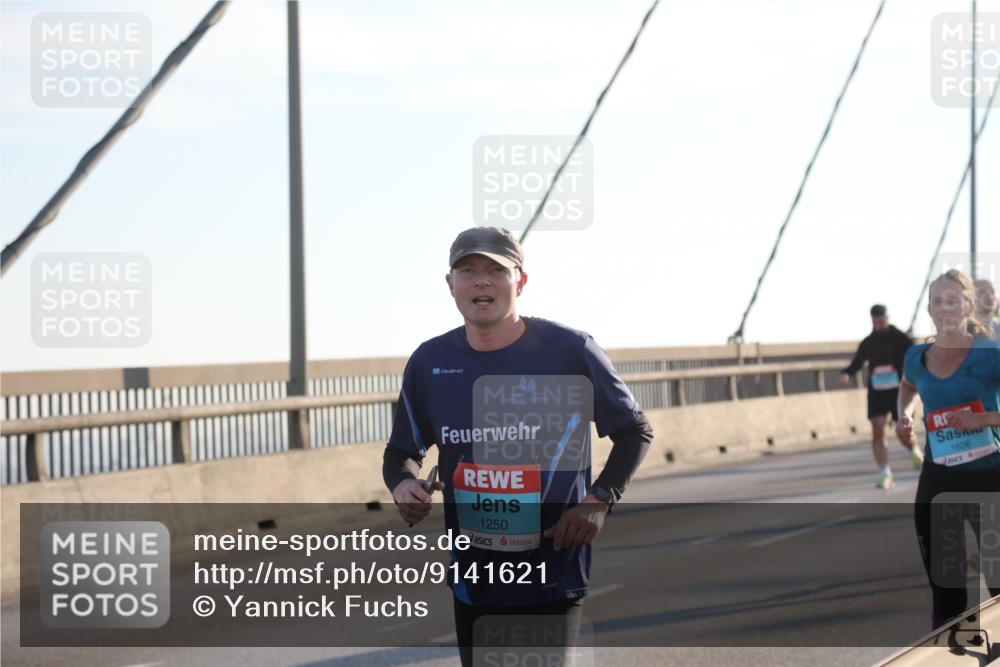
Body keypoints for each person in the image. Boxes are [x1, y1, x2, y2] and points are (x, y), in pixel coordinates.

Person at [382, 226, 653, 666]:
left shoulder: (571, 351)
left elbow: (634, 431)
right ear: (450, 284)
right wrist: (404, 486)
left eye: (496, 270)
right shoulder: (430, 362)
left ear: (520, 282)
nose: (481, 280)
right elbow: (400, 453)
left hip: (553, 566)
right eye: (467, 270)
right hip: (474, 574)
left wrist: (598, 500)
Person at [895, 269, 1000, 630]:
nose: (944, 308)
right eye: (937, 301)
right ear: (929, 308)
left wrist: (985, 418)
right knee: (946, 587)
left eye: (952, 301)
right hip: (939, 476)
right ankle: (953, 648)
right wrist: (904, 415)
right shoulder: (916, 356)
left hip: (990, 476)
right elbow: (908, 387)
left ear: (969, 306)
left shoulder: (991, 354)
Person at [839, 304, 922, 489]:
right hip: (877, 392)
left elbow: (916, 359)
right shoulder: (868, 342)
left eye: (882, 321)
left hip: (900, 391)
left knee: (903, 430)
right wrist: (847, 373)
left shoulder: (901, 339)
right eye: (875, 322)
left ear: (888, 318)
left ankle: (914, 449)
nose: (879, 325)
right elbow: (857, 362)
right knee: (878, 432)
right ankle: (885, 473)